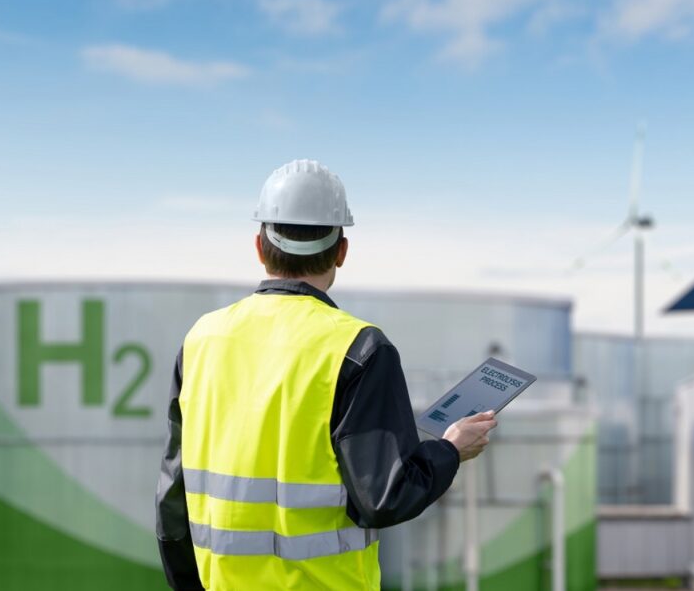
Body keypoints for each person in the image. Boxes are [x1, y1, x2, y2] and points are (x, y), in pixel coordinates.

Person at [155, 159, 498, 590]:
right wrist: (450, 450)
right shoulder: (359, 349)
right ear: (342, 250)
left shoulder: (201, 339)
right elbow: (386, 497)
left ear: (260, 248)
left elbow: (173, 493)